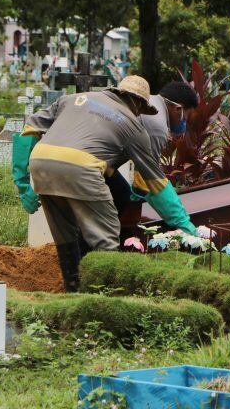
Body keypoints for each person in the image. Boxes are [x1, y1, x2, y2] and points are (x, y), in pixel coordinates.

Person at [11, 75, 211, 292]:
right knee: (107, 238)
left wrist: (22, 184)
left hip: (42, 164)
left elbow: (28, 131)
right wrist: (184, 225)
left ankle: (72, 287)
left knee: (65, 234)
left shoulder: (74, 98)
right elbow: (154, 183)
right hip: (82, 168)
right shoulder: (133, 124)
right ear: (138, 103)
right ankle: (102, 294)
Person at [105, 81, 200, 213]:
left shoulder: (152, 100)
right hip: (91, 164)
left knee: (121, 191)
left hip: (92, 156)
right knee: (121, 198)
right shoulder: (157, 125)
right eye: (185, 118)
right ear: (178, 108)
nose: (183, 123)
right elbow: (148, 177)